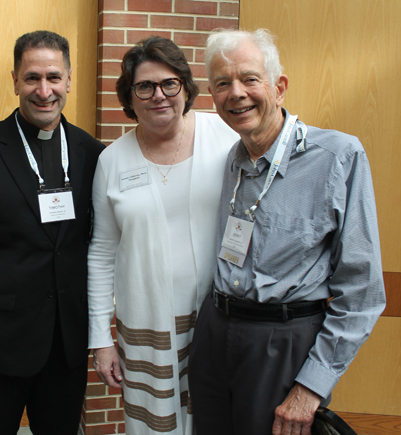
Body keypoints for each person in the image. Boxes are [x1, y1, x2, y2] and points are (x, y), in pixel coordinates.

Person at [188, 28, 386, 435]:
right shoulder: (234, 159)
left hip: (283, 342)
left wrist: (311, 387)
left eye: (249, 78)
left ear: (279, 87)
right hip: (216, 332)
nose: (236, 93)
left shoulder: (338, 157)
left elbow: (362, 291)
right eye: (222, 84)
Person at [0, 30, 104, 435]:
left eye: (53, 77)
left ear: (69, 81)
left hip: (66, 347)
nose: (43, 90)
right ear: (15, 80)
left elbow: (98, 245)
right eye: (32, 78)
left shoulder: (93, 154)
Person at [87, 36, 239, 435]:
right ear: (130, 96)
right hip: (145, 327)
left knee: (216, 418)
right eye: (145, 86)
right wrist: (101, 341)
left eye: (169, 83)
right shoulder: (112, 160)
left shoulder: (223, 137)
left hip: (217, 321)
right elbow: (102, 254)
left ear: (186, 88)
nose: (159, 95)